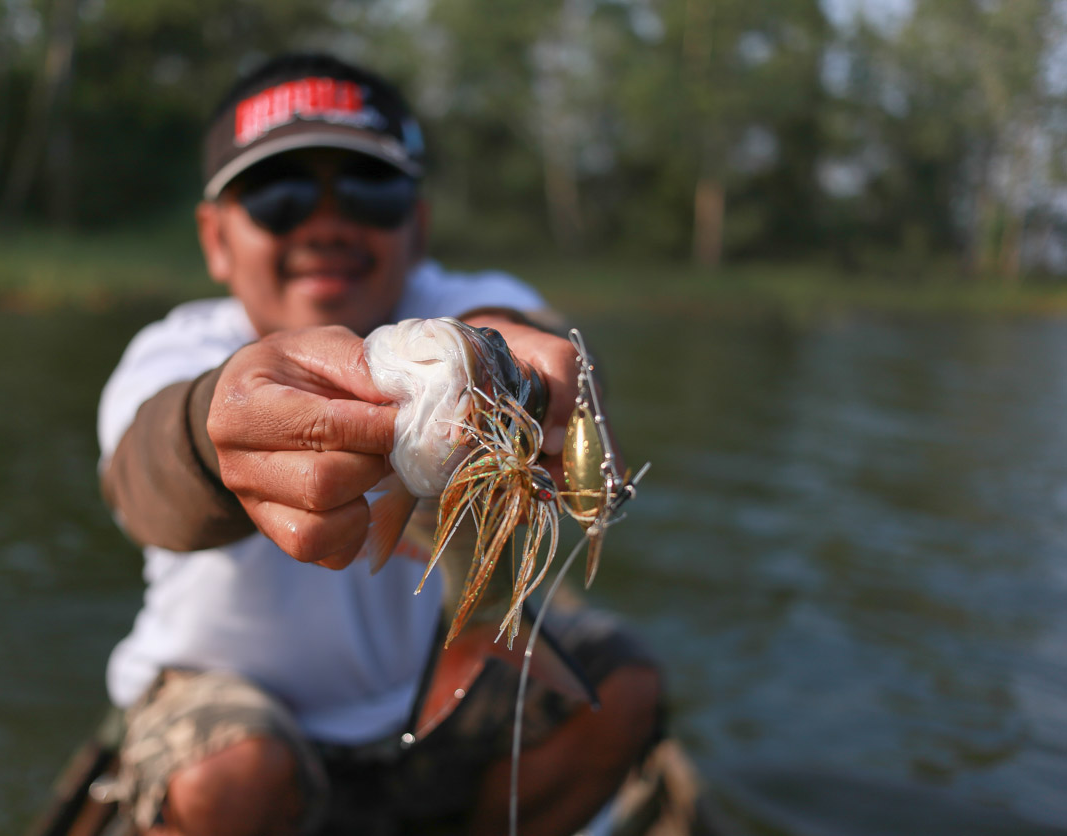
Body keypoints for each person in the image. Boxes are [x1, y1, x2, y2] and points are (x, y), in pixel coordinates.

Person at [96, 51, 668, 836]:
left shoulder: (453, 303)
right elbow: (142, 483)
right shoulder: (175, 353)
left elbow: (514, 326)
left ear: (419, 223)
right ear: (216, 238)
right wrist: (210, 431)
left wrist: (512, 365)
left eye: (372, 190)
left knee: (626, 689)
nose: (328, 223)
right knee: (229, 778)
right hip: (234, 704)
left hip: (427, 692)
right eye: (280, 194)